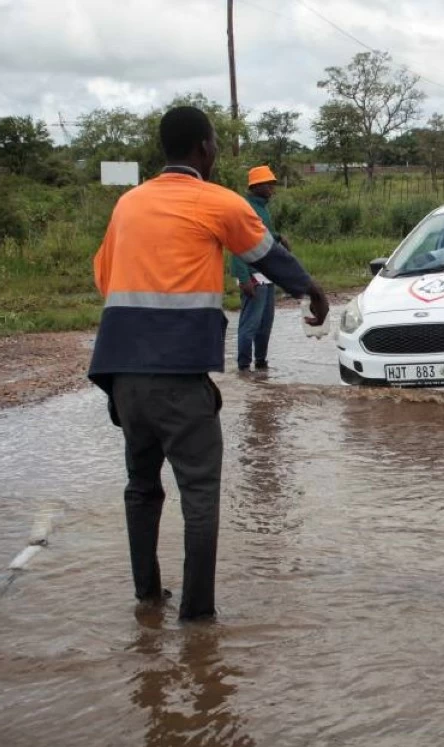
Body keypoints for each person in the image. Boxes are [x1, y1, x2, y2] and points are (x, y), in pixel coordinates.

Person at [88, 106, 330, 621]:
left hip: (122, 376)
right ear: (202, 147)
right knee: (199, 492)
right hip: (178, 375)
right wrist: (312, 291)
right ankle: (197, 620)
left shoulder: (128, 205)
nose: (217, 150)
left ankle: (147, 599)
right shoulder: (217, 201)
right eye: (216, 142)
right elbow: (269, 256)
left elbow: (104, 278)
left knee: (141, 486)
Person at [231, 165, 291, 371]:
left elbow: (262, 235)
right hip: (252, 275)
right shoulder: (245, 208)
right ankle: (244, 368)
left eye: (272, 185)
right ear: (256, 186)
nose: (272, 189)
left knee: (265, 325)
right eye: (268, 185)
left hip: (266, 273)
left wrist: (278, 237)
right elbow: (236, 244)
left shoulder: (262, 208)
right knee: (250, 325)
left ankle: (261, 364)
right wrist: (244, 278)